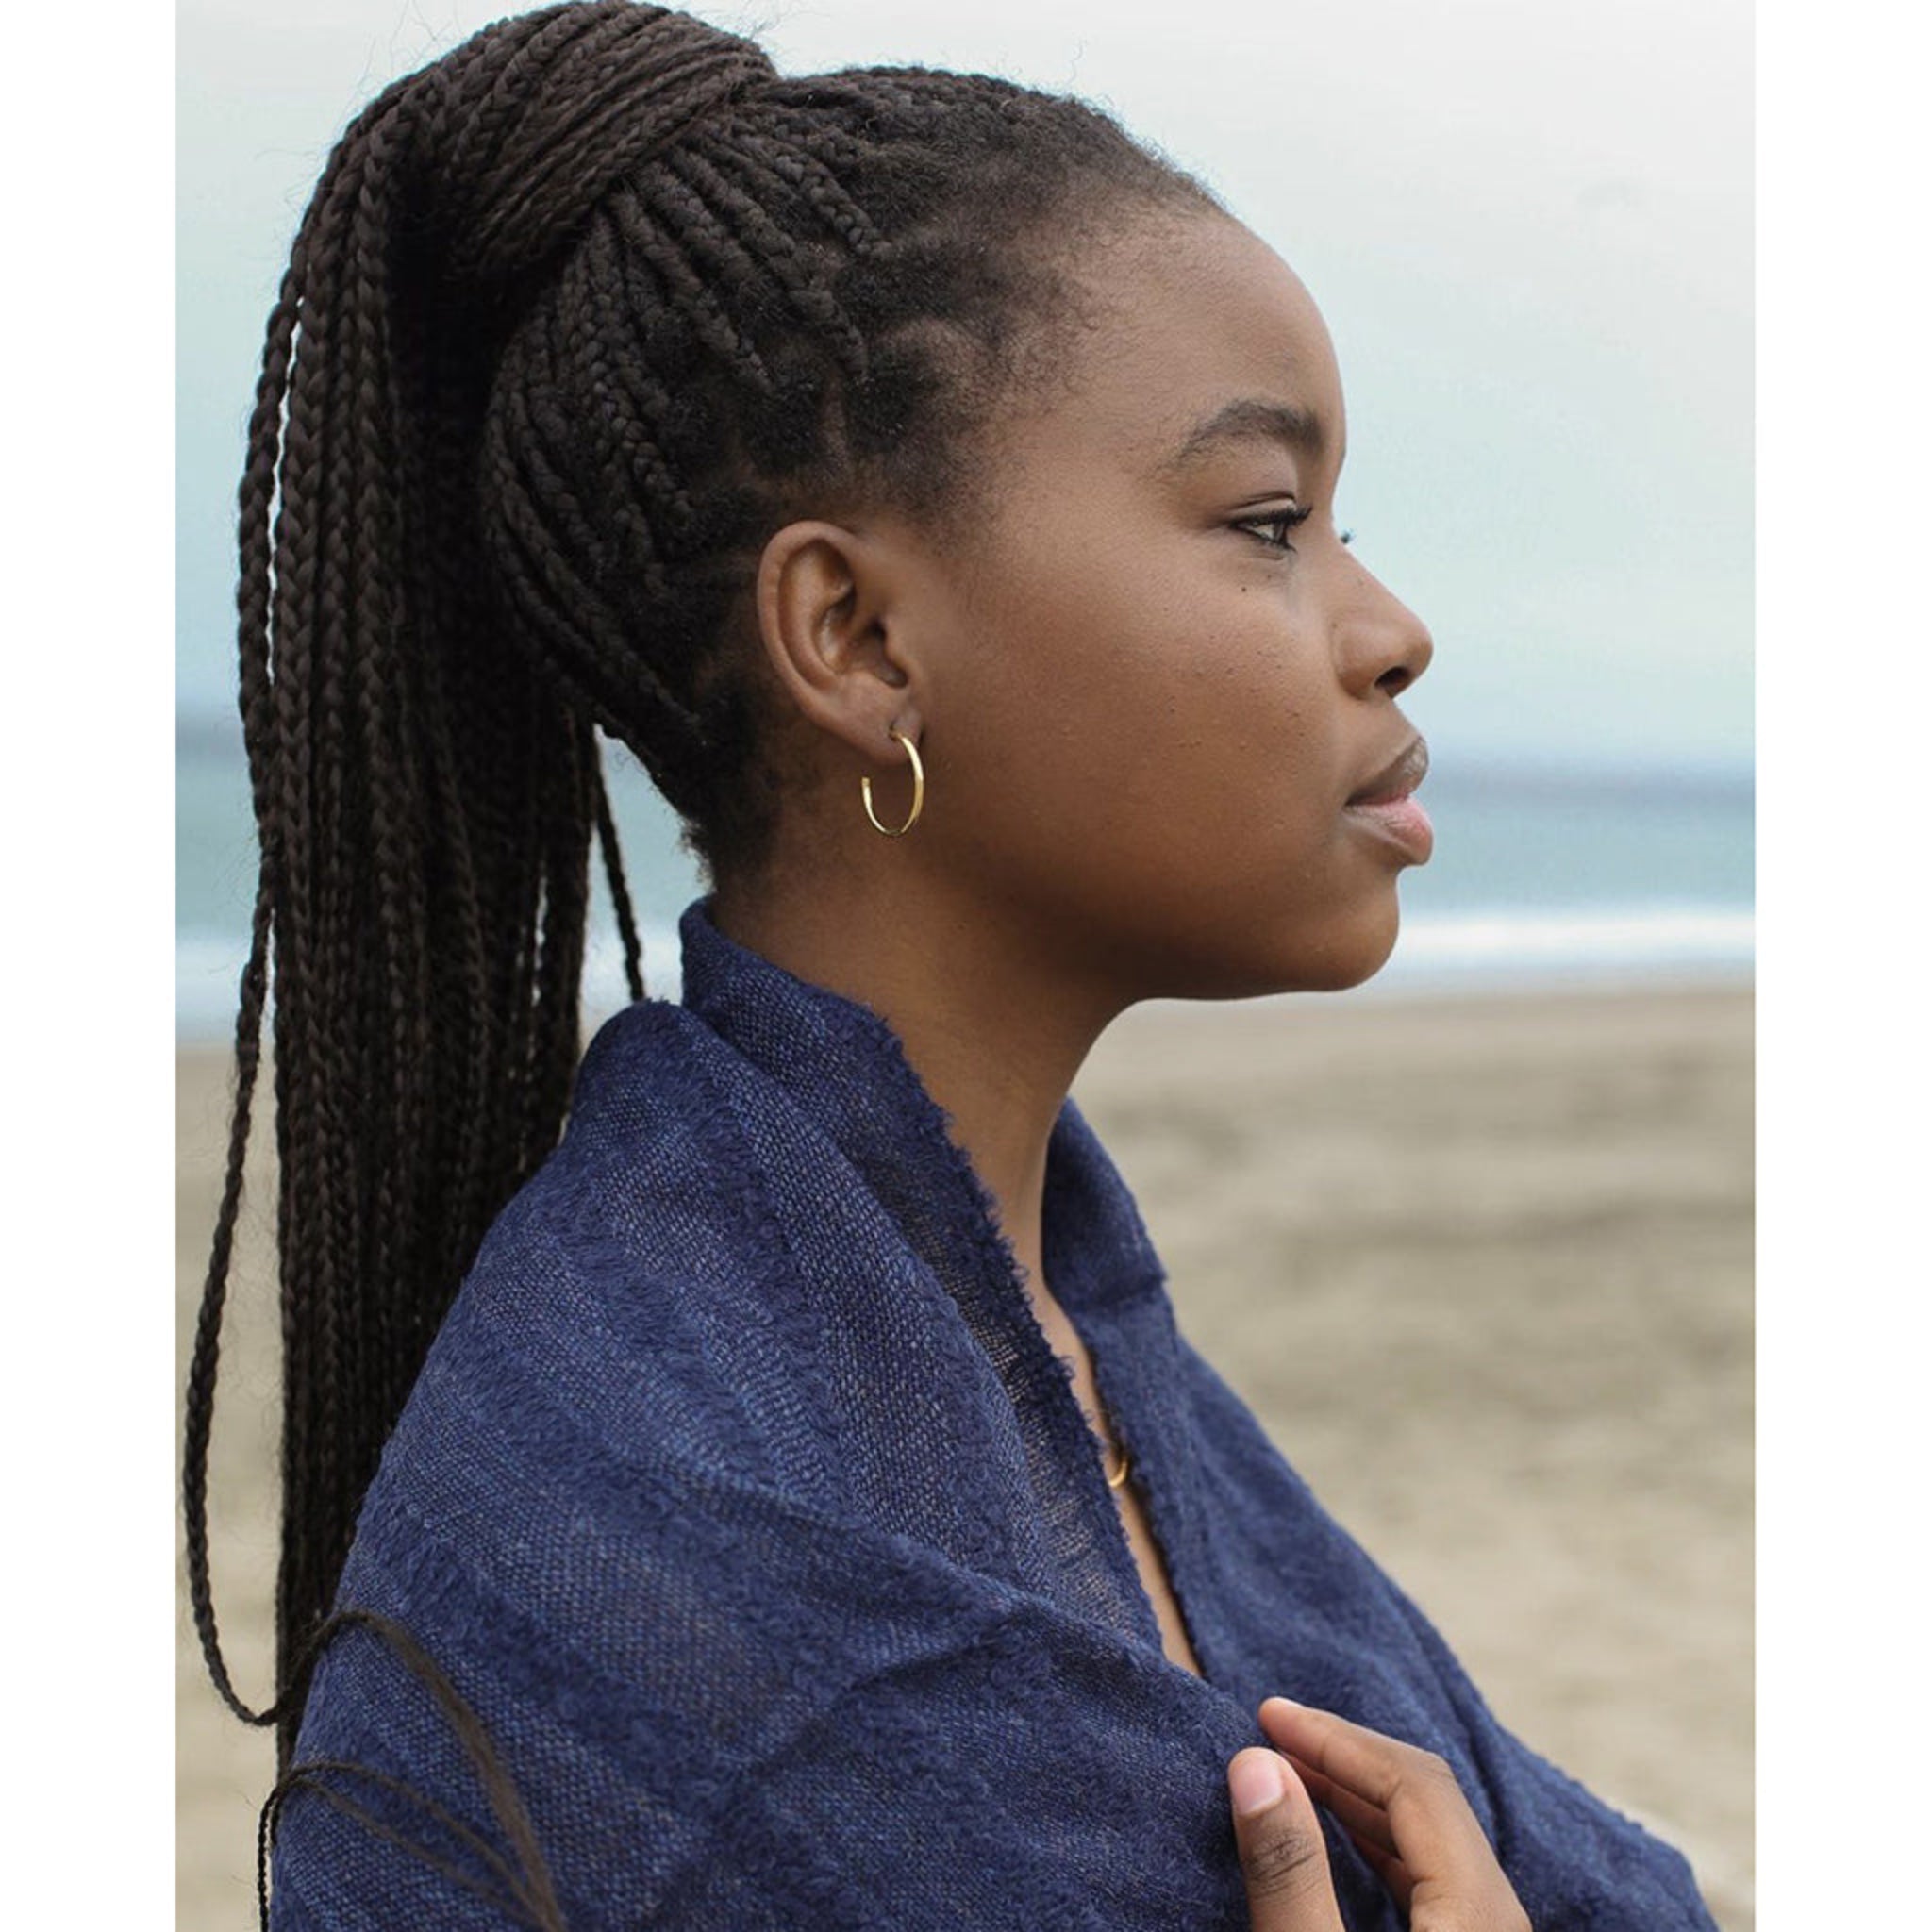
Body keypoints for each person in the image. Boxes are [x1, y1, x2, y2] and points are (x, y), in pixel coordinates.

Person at [181, 3, 1719, 1924]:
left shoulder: (1047, 1317)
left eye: (1343, 527)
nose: (1389, 625)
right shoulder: (704, 1555)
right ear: (855, 638)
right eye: (1263, 522)